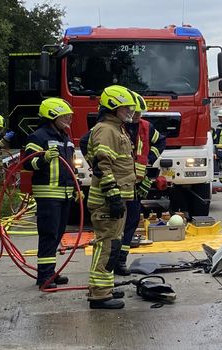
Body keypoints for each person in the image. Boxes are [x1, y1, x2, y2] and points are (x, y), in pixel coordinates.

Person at [84, 85, 137, 309]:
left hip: (116, 198)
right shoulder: (106, 129)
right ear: (113, 107)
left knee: (112, 244)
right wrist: (113, 196)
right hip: (108, 200)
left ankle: (104, 288)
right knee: (107, 246)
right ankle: (99, 296)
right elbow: (102, 165)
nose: (129, 112)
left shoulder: (117, 129)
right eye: (125, 107)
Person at [23, 97, 76, 289]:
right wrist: (43, 158)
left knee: (58, 233)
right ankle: (44, 276)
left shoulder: (65, 138)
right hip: (48, 194)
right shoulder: (38, 137)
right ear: (52, 116)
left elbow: (70, 166)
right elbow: (29, 163)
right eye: (65, 116)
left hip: (65, 194)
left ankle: (50, 272)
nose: (69, 119)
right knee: (49, 234)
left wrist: (75, 186)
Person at [117, 90, 166, 276]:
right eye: (134, 112)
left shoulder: (146, 127)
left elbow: (160, 141)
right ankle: (112, 259)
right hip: (119, 183)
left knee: (131, 223)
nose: (137, 116)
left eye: (139, 113)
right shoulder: (116, 127)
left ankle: (121, 260)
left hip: (137, 184)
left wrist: (150, 158)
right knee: (115, 224)